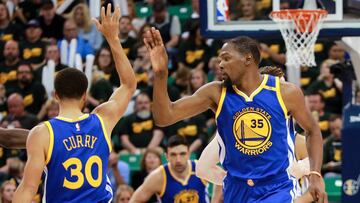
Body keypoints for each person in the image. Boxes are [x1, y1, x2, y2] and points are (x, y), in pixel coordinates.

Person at [144, 29, 326, 202]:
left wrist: (315, 174)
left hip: (276, 187)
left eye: (226, 58)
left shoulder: (285, 92)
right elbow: (164, 117)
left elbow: (313, 130)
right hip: (236, 189)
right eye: (219, 60)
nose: (220, 64)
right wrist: (161, 74)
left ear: (248, 59)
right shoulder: (215, 92)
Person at [13, 4, 137, 202]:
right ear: (85, 96)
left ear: (55, 95)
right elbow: (129, 85)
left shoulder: (42, 133)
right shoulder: (102, 120)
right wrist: (113, 38)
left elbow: (28, 189)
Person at [130, 135, 208, 203]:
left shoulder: (201, 167)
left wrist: (215, 200)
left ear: (189, 154)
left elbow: (220, 179)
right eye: (173, 155)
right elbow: (134, 200)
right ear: (167, 156)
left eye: (182, 154)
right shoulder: (158, 176)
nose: (178, 160)